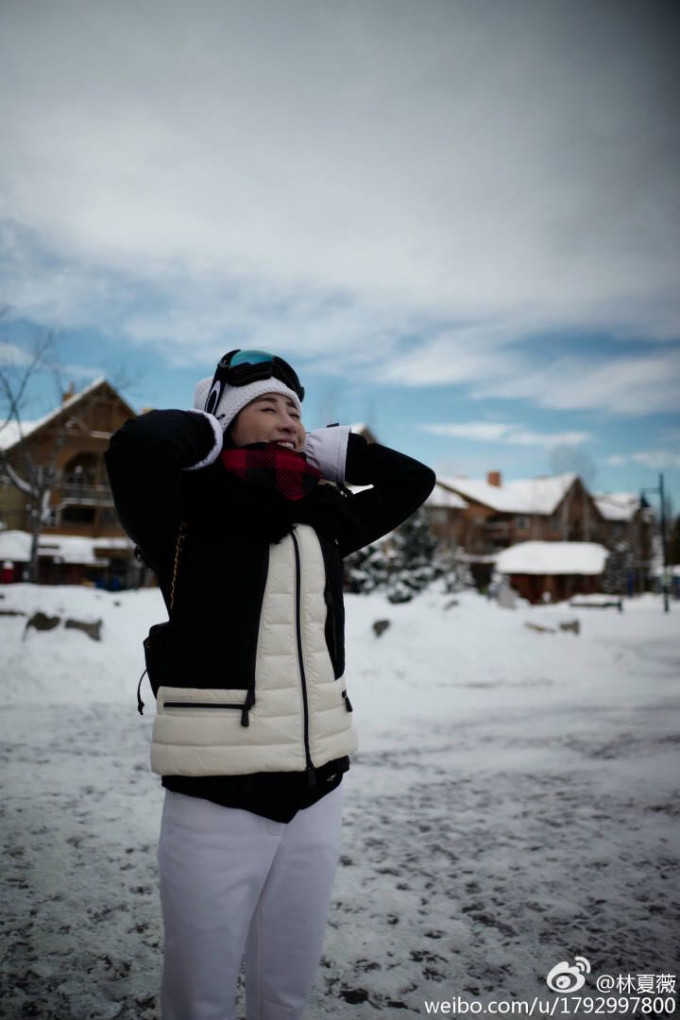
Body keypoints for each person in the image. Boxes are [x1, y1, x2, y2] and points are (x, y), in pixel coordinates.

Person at [105, 349, 435, 1020]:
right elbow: (137, 447)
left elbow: (413, 481)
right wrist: (208, 427)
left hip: (318, 790)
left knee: (284, 992)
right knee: (200, 998)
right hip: (216, 793)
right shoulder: (183, 509)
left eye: (296, 409)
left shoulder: (323, 516)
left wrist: (337, 451)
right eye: (267, 405)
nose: (287, 418)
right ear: (226, 417)